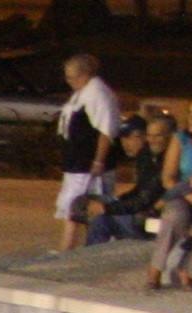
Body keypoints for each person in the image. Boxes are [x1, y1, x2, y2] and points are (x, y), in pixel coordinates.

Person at [55, 54, 121, 252]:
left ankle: (70, 248)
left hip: (88, 164)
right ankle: (70, 248)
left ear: (84, 75)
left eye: (72, 77)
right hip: (76, 163)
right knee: (73, 208)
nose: (69, 82)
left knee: (81, 207)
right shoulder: (82, 93)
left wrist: (98, 161)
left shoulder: (98, 94)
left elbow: (105, 131)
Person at [80, 114, 169, 245]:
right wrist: (116, 201)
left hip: (155, 222)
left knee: (101, 217)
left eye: (129, 137)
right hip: (146, 213)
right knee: (84, 204)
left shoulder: (165, 161)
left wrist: (107, 208)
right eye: (122, 139)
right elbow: (140, 190)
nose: (125, 143)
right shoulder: (147, 156)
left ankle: (90, 258)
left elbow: (145, 199)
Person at [153, 98, 192, 291]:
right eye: (190, 113)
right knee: (174, 216)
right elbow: (167, 178)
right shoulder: (181, 139)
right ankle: (155, 271)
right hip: (182, 194)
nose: (191, 118)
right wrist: (188, 194)